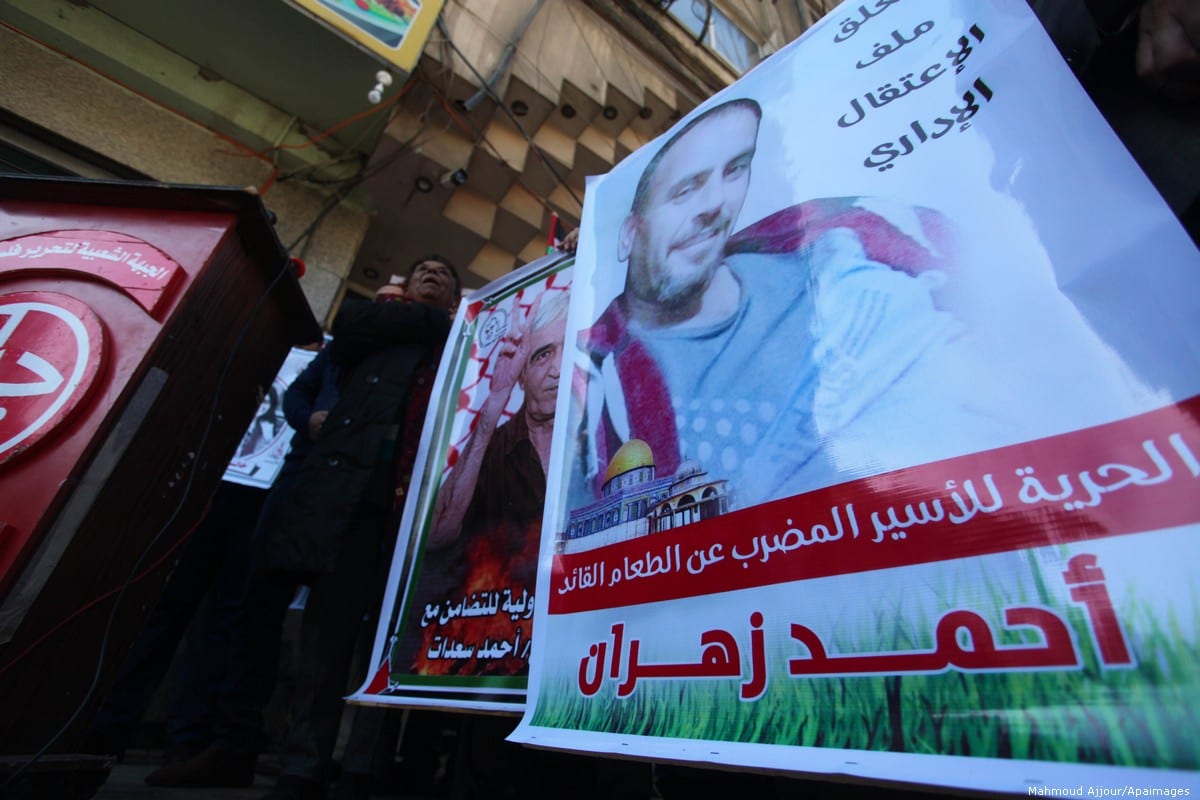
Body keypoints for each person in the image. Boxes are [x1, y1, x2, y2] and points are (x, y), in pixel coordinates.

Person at [568, 98, 1006, 519]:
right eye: (685, 190)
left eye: (735, 169)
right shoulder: (595, 393)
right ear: (626, 236)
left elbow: (1013, 314)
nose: (716, 205)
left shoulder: (856, 237)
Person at [149, 257, 460, 800]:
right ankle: (242, 748)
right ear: (403, 285)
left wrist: (435, 321)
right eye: (422, 269)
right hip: (318, 492)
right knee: (265, 618)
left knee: (347, 636)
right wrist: (308, 418)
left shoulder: (458, 340)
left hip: (392, 504)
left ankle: (335, 766)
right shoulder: (370, 325)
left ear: (457, 297)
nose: (432, 273)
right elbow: (342, 344)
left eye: (443, 272)